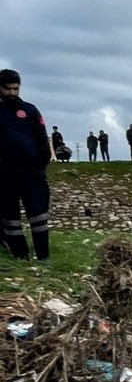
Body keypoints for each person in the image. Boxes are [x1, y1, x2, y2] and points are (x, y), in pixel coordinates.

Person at [0, 69, 52, 260]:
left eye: (16, 88)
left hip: (32, 172)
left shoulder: (29, 110)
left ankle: (43, 257)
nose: (12, 93)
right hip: (5, 174)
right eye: (8, 89)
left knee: (39, 216)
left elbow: (42, 139)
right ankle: (20, 257)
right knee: (10, 217)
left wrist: (41, 165)